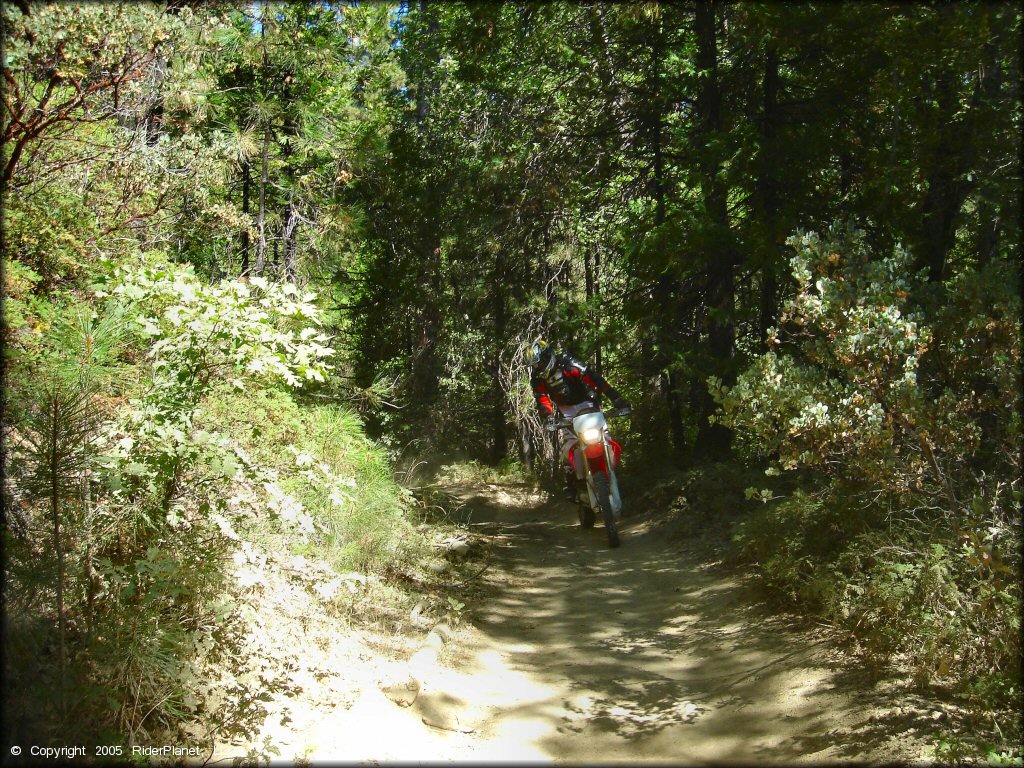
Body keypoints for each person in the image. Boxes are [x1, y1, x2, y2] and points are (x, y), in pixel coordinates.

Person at [526, 338, 630, 501]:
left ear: (548, 356)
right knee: (569, 445)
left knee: (606, 438)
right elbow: (542, 399)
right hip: (565, 410)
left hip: (587, 404)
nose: (538, 367)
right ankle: (572, 483)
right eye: (535, 365)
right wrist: (549, 417)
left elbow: (594, 378)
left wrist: (616, 399)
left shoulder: (569, 364)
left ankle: (613, 471)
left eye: (540, 362)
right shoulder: (538, 378)